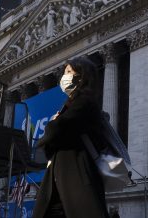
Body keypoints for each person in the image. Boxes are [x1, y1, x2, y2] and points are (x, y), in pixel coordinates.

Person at [32, 57, 110, 218]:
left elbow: (56, 130)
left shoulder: (85, 103)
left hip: (76, 177)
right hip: (59, 179)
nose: (63, 77)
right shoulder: (71, 105)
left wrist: (53, 123)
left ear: (81, 77)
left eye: (68, 72)